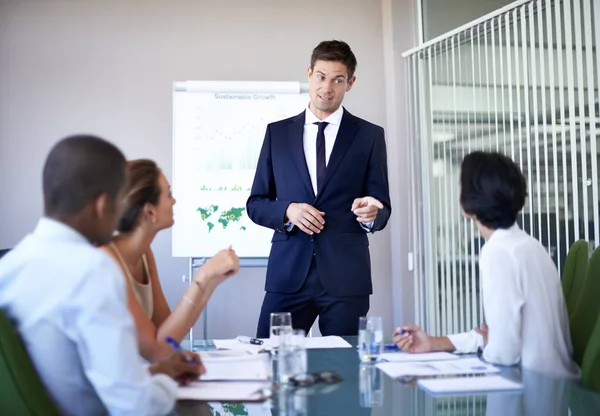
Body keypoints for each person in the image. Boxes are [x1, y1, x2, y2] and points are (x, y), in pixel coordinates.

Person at [0, 135, 203, 416]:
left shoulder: (9, 267)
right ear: (101, 204)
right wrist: (167, 385)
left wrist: (157, 373)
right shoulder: (93, 269)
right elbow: (136, 407)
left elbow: (77, 372)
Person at [247, 40, 391, 338]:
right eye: (321, 77)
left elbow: (382, 208)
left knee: (347, 372)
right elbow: (256, 203)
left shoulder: (369, 136)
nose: (327, 87)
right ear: (309, 73)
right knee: (273, 364)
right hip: (288, 276)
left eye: (338, 80)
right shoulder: (278, 133)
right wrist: (287, 209)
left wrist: (371, 213)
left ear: (350, 83)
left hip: (346, 279)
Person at [394, 151, 579, 379]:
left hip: (527, 389)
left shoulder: (498, 252)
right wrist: (433, 343)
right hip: (549, 387)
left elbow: (503, 353)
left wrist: (489, 344)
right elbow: (496, 339)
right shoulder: (529, 245)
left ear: (468, 204)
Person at [101, 158, 239, 362]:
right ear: (150, 211)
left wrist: (211, 282)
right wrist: (203, 275)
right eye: (169, 194)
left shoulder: (144, 253)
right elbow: (155, 349)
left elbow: (169, 334)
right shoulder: (106, 259)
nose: (174, 201)